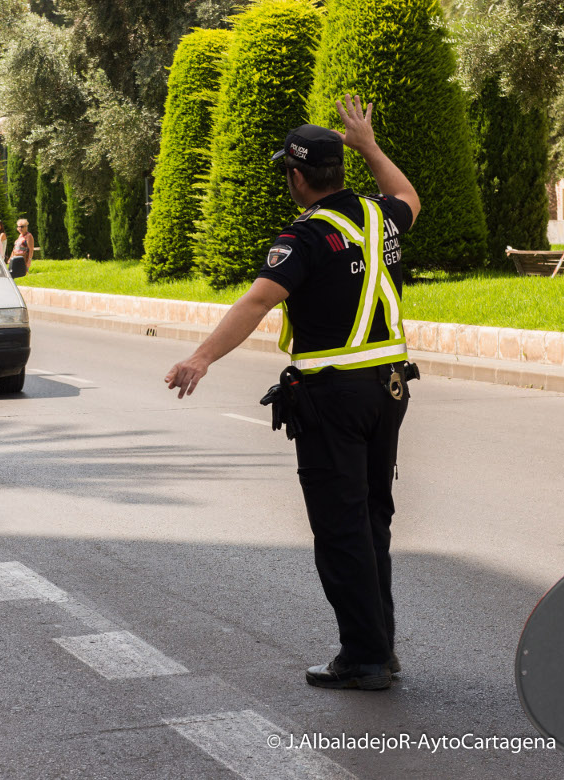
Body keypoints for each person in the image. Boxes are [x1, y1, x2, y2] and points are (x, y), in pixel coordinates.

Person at [164, 95, 421, 691]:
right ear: (340, 168)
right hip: (389, 389)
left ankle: (364, 658)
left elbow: (257, 301)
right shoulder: (380, 217)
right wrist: (371, 144)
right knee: (372, 518)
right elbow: (411, 198)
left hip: (334, 396)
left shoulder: (303, 238)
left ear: (298, 175)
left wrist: (200, 357)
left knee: (340, 527)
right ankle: (380, 645)